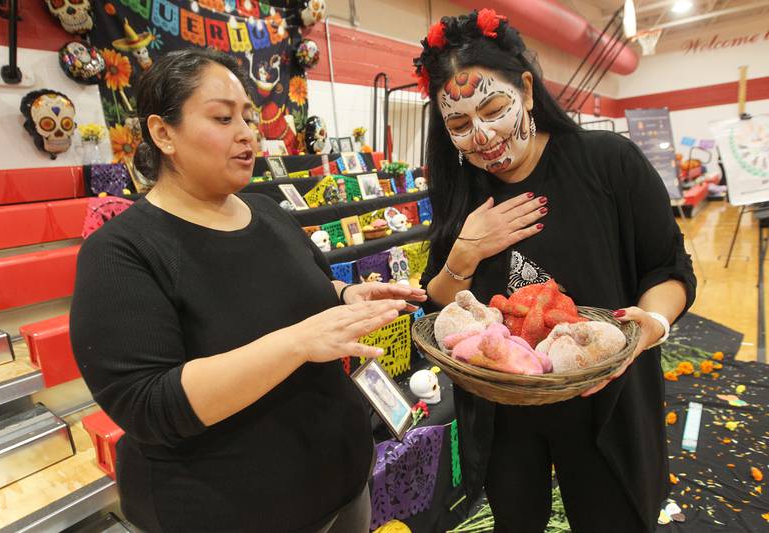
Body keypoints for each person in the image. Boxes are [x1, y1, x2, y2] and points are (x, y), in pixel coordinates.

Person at [70, 48, 426, 533]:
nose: (247, 134)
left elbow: (310, 282)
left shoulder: (267, 210)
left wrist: (344, 296)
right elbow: (149, 405)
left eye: (249, 117)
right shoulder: (120, 252)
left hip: (343, 485)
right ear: (162, 133)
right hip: (231, 512)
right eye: (222, 117)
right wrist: (297, 343)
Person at [414, 10, 696, 533]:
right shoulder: (462, 190)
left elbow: (669, 267)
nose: (482, 136)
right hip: (505, 410)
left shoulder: (608, 162)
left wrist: (648, 327)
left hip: (604, 399)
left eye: (493, 108)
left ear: (525, 89)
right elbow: (438, 299)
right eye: (459, 125)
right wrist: (464, 256)